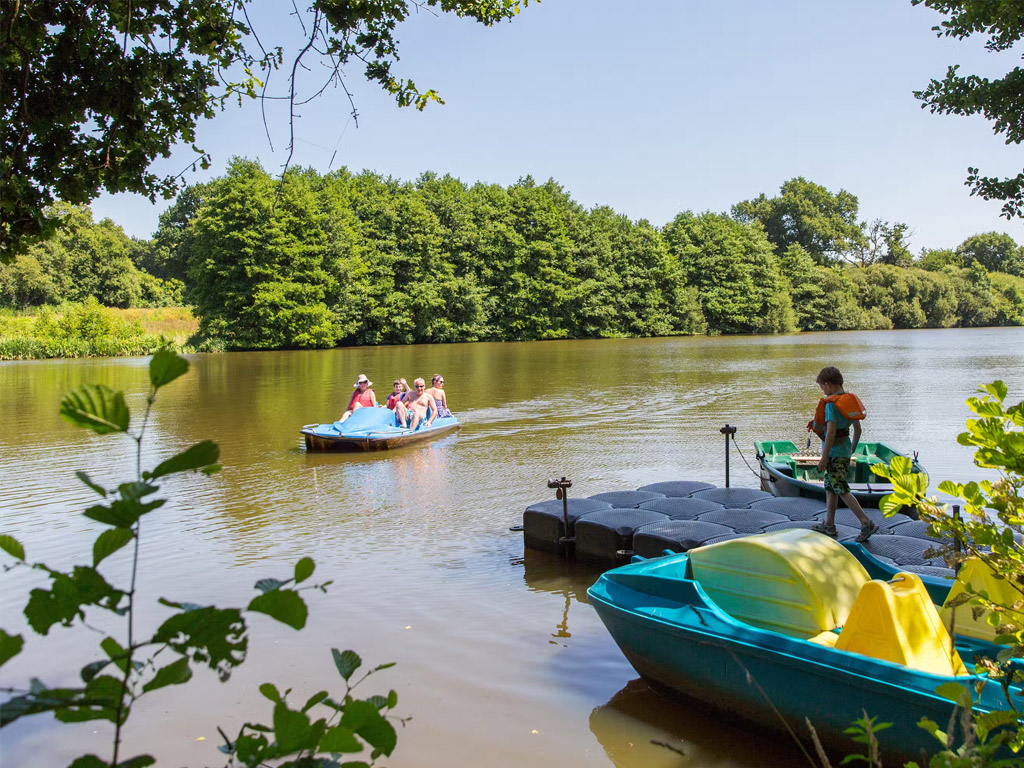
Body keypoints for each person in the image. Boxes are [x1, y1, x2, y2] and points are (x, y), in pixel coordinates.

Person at [809, 366, 878, 542]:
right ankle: (829, 524)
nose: (823, 392)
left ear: (829, 384)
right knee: (830, 487)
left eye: (823, 387)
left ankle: (865, 522)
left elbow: (830, 431)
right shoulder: (848, 401)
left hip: (834, 452)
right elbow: (858, 428)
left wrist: (824, 457)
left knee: (840, 487)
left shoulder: (831, 404)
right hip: (845, 449)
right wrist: (852, 448)